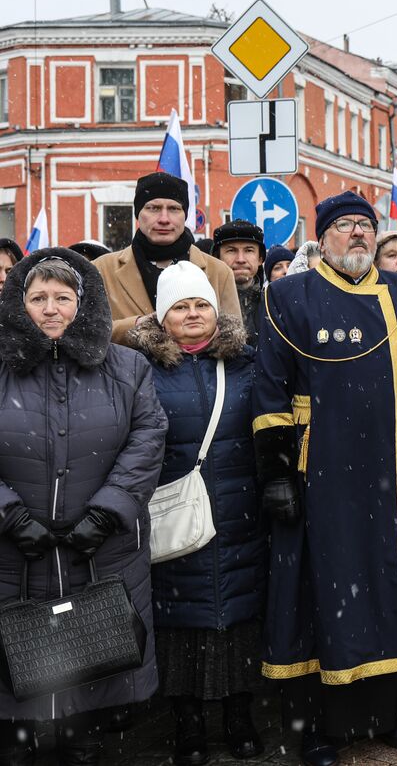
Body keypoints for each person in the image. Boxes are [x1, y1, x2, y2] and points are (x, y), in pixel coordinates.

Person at [253, 192, 397, 766]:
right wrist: (275, 472)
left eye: (365, 227)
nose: (357, 236)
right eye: (344, 226)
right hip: (323, 471)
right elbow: (270, 392)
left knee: (394, 586)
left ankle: (385, 712)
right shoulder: (286, 297)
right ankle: (323, 727)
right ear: (321, 238)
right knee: (331, 592)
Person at [0, 248, 165, 766]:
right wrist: (8, 514)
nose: (50, 309)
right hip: (13, 553)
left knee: (91, 666)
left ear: (85, 302)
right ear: (18, 304)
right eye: (38, 298)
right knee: (18, 668)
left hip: (99, 548)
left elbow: (149, 435)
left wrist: (108, 511)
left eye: (63, 298)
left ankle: (79, 743)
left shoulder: (127, 367)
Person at [128, 263, 264, 766]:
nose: (191, 315)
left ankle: (239, 715)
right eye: (180, 307)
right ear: (162, 317)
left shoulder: (247, 362)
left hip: (239, 514)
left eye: (200, 305)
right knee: (178, 623)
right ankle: (187, 724)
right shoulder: (137, 369)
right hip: (172, 516)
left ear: (216, 310)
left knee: (240, 618)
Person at [94, 172, 240, 346]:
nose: (164, 219)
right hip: (126, 372)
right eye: (153, 208)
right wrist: (137, 326)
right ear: (138, 214)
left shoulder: (218, 272)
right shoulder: (101, 270)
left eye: (174, 209)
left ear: (184, 215)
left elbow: (232, 338)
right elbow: (87, 331)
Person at [212, 220, 266, 349]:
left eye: (249, 250)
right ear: (217, 257)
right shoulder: (205, 304)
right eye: (231, 250)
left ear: (260, 259)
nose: (240, 259)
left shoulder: (273, 302)